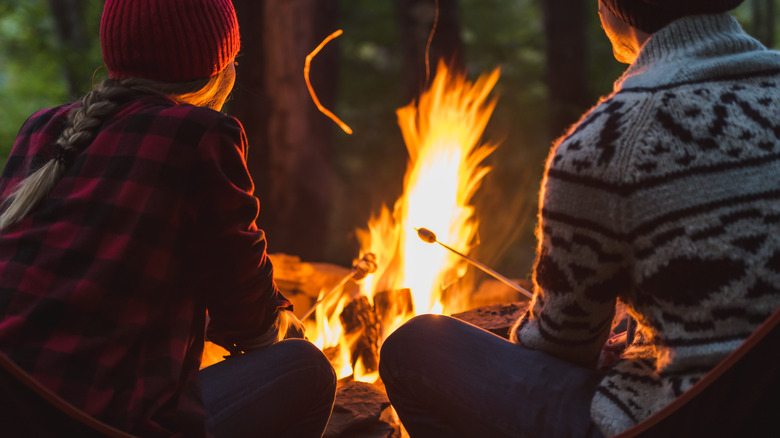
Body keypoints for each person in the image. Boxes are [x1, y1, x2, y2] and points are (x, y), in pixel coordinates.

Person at [379, 0, 780, 436]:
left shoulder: (609, 141)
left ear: (615, 8)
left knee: (415, 347)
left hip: (673, 418)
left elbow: (563, 346)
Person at [0, 0, 336, 437]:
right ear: (219, 67)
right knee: (305, 368)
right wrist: (286, 325)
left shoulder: (42, 127)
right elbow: (250, 320)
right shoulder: (201, 135)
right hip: (87, 420)